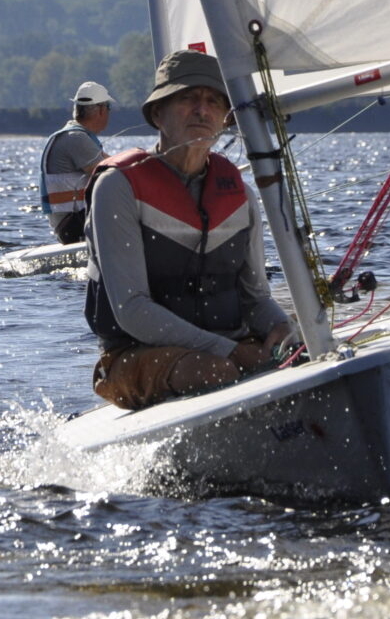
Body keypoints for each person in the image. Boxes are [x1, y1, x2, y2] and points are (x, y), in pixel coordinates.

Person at [83, 49, 293, 410]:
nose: (202, 109)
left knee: (300, 346)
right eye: (188, 98)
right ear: (158, 114)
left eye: (213, 101)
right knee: (215, 371)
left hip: (228, 349)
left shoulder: (240, 196)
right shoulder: (117, 187)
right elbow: (131, 309)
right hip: (134, 355)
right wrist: (230, 351)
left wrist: (284, 330)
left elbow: (255, 298)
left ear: (225, 117)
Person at [38, 80, 113, 244]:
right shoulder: (76, 139)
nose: (109, 113)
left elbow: (111, 164)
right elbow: (112, 174)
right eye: (108, 108)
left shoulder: (76, 137)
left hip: (72, 224)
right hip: (73, 226)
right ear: (100, 110)